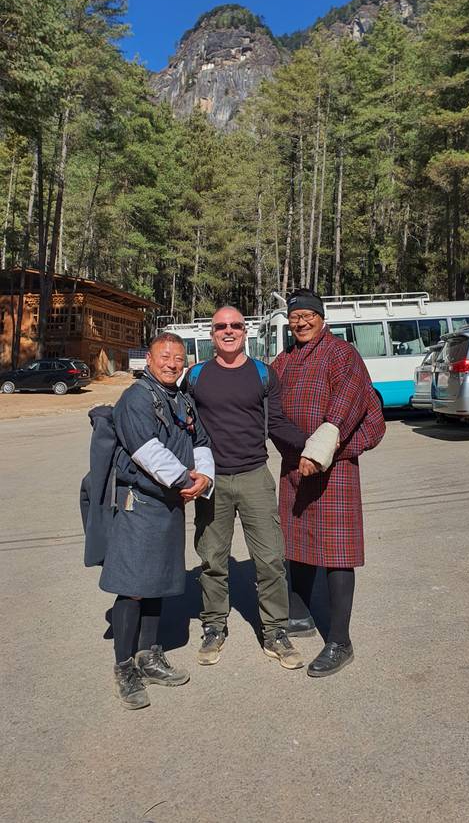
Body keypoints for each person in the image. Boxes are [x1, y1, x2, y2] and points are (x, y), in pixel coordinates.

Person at [184, 306, 308, 670]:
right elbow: (180, 423)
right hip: (211, 481)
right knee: (212, 558)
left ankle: (275, 631)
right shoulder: (195, 376)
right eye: (220, 326)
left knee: (270, 558)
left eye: (235, 325)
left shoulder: (262, 374)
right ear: (211, 334)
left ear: (245, 332)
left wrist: (310, 444)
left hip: (255, 475)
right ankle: (214, 625)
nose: (228, 331)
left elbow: (278, 422)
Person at [272, 288, 385, 678]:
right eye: (295, 317)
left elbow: (347, 407)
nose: (301, 322)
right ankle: (300, 616)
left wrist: (320, 451)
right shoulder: (282, 360)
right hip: (293, 465)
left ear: (322, 318)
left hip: (333, 467)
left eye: (308, 315)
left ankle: (340, 640)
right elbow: (269, 410)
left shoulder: (342, 355)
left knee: (338, 552)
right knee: (297, 543)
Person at [99, 332, 214, 708]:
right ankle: (124, 668)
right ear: (147, 360)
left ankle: (148, 656)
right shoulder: (136, 398)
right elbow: (145, 450)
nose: (172, 363)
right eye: (164, 356)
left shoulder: (181, 398)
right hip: (140, 504)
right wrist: (186, 480)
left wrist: (205, 478)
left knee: (158, 582)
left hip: (169, 503)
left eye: (178, 358)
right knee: (133, 584)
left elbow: (201, 442)